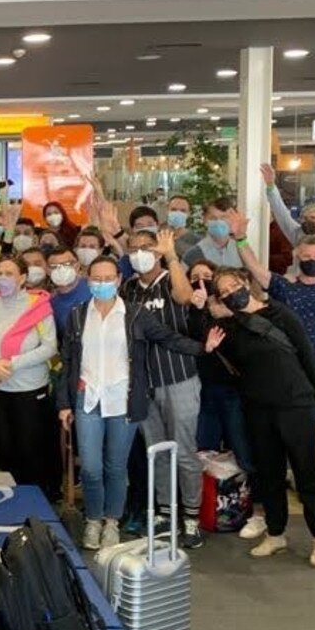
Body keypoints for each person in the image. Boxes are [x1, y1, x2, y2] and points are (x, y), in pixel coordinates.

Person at [57, 256, 220, 549]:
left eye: (109, 278)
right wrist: (64, 403)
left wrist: (201, 348)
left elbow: (168, 338)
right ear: (87, 279)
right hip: (88, 399)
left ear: (120, 280)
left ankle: (111, 522)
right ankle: (93, 520)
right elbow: (68, 360)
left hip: (124, 400)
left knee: (116, 466)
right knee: (91, 468)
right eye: (97, 278)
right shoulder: (78, 314)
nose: (102, 284)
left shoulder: (134, 314)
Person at [210, 268, 315, 567]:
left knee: (306, 473)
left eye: (233, 286)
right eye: (223, 291)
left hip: (296, 403)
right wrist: (211, 336)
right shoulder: (230, 327)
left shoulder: (280, 313)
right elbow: (228, 367)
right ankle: (276, 534)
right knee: (269, 473)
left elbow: (306, 354)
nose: (230, 293)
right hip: (257, 408)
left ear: (246, 283)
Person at [231, 211, 315, 497]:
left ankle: (308, 486)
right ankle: (282, 479)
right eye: (306, 255)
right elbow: (253, 267)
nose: (312, 260)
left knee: (312, 435)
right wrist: (240, 239)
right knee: (279, 430)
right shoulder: (284, 287)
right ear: (297, 255)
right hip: (282, 373)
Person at [118, 227, 207, 546]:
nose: (140, 253)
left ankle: (192, 517)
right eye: (134, 248)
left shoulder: (171, 278)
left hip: (178, 376)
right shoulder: (128, 288)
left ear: (158, 251)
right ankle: (165, 513)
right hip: (143, 382)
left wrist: (171, 255)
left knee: (183, 450)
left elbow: (185, 298)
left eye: (147, 247)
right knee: (156, 451)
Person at [0, 256, 59, 493]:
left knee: (31, 448)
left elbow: (50, 347)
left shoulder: (37, 306)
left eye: (9, 273)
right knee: (6, 447)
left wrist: (11, 364)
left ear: (23, 278)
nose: (3, 278)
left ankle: (38, 498)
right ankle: (14, 496)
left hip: (28, 390)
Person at [181, 197, 242, 268]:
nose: (219, 222)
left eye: (224, 217)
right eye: (213, 218)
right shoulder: (193, 255)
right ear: (204, 220)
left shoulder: (241, 250)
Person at [47, 246, 92, 335]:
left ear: (77, 265)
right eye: (54, 266)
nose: (62, 269)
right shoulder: (50, 302)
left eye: (68, 264)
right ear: (48, 271)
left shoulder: (93, 290)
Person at [164, 195, 202, 260]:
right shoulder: (156, 237)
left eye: (183, 211)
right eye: (173, 210)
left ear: (189, 214)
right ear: (167, 211)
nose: (177, 213)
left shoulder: (199, 242)